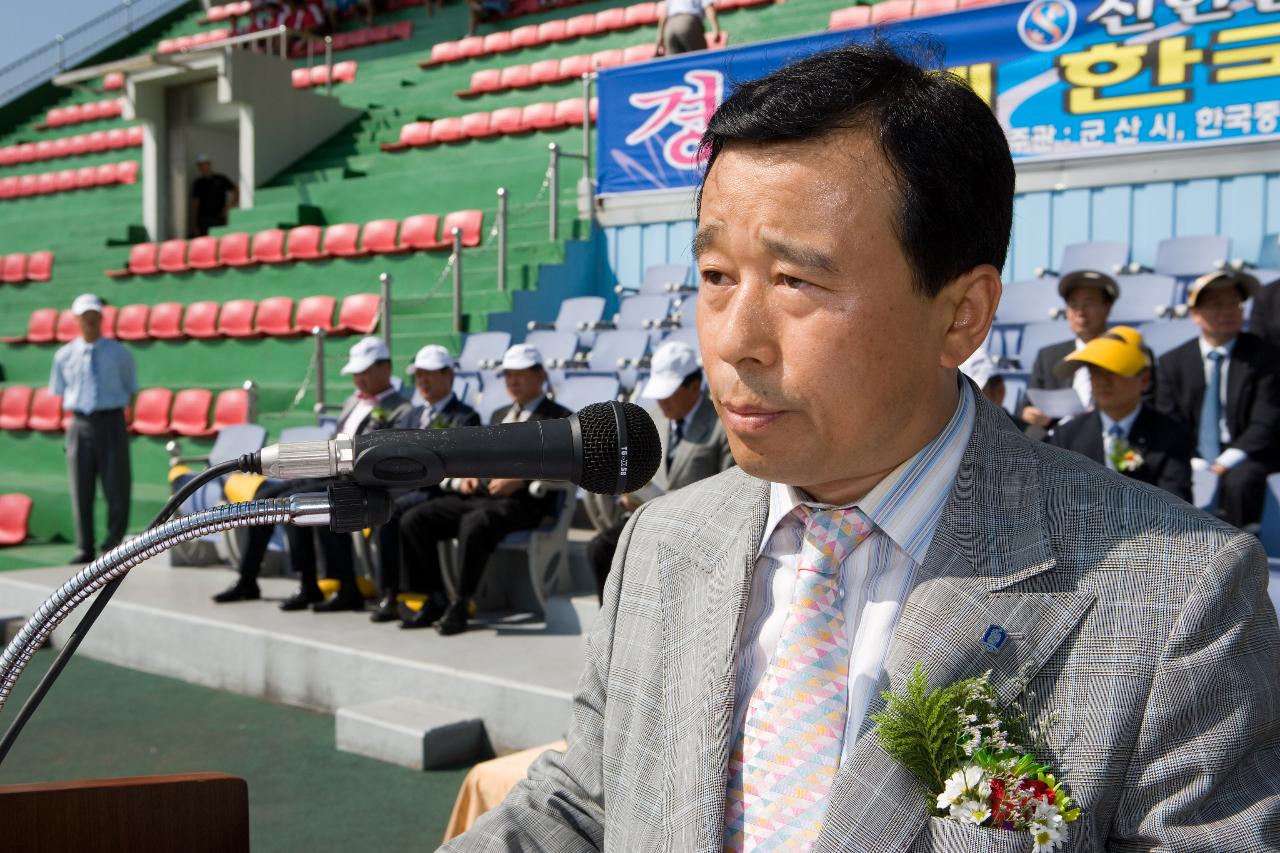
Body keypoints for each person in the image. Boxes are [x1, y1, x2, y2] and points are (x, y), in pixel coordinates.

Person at [442, 43, 1279, 851]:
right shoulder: (663, 543)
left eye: (796, 281)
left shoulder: (1179, 600)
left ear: (962, 314)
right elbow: (591, 802)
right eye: (717, 276)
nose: (736, 341)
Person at [213, 336, 412, 608]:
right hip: (330, 472)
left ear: (385, 368)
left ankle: (338, 585)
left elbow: (381, 455)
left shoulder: (401, 409)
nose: (358, 379)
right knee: (265, 499)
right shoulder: (353, 401)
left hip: (357, 479)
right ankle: (252, 577)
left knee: (300, 503)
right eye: (356, 373)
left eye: (364, 372)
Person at [397, 344, 571, 635]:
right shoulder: (499, 413)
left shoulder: (559, 417)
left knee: (474, 523)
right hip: (485, 495)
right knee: (415, 519)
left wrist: (522, 480)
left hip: (524, 502)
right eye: (507, 376)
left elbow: (567, 465)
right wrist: (469, 476)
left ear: (540, 375)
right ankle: (434, 597)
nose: (512, 381)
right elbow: (482, 457)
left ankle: (462, 603)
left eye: (520, 374)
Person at [586, 340, 734, 601]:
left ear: (694, 386)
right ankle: (611, 626)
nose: (662, 400)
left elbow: (730, 488)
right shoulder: (652, 418)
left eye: (669, 392)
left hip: (696, 528)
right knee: (602, 548)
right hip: (649, 518)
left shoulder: (721, 424)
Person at [1156, 270, 1280, 528]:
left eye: (1234, 303)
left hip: (1248, 454)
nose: (1228, 311)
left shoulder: (1265, 356)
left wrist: (1225, 461)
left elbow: (1266, 419)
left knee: (1242, 480)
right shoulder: (1172, 362)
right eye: (1216, 304)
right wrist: (1192, 458)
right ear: (1195, 313)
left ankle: (1241, 551)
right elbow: (1169, 418)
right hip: (1194, 454)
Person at [369, 345, 481, 623]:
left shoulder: (466, 416)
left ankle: (410, 593)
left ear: (449, 376)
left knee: (397, 512)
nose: (423, 381)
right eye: (419, 375)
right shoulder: (411, 415)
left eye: (429, 374)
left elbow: (461, 463)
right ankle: (393, 591)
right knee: (379, 504)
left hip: (440, 491)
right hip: (409, 487)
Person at [1049, 329, 1193, 501]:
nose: (1103, 381)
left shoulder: (1172, 436)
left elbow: (1176, 506)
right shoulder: (1066, 437)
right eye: (1095, 371)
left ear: (1144, 380)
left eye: (1113, 371)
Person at [50, 294, 137, 563]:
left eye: (94, 314)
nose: (89, 320)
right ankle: (84, 546)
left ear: (101, 317)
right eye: (84, 315)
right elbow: (60, 391)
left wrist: (125, 418)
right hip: (79, 422)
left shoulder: (119, 353)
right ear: (76, 318)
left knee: (117, 486)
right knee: (80, 486)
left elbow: (131, 389)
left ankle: (113, 544)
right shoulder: (63, 355)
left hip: (111, 420)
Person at [1018, 270, 1116, 439]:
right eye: (1073, 305)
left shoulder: (1124, 353)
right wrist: (1029, 413)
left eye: (1089, 303)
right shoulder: (1048, 356)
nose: (1080, 312)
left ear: (1107, 308)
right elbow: (1027, 405)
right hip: (1055, 438)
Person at [189, 155, 238, 237]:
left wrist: (229, 207)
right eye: (200, 165)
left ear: (209, 164)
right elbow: (195, 205)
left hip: (219, 218)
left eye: (205, 164)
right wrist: (194, 225)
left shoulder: (221, 179)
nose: (203, 167)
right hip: (204, 220)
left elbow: (237, 191)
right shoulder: (198, 183)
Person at [655, 0, 719, 56]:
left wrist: (660, 37)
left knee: (676, 66)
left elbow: (664, 15)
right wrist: (715, 29)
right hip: (687, 22)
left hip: (669, 27)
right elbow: (708, 7)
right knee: (699, 61)